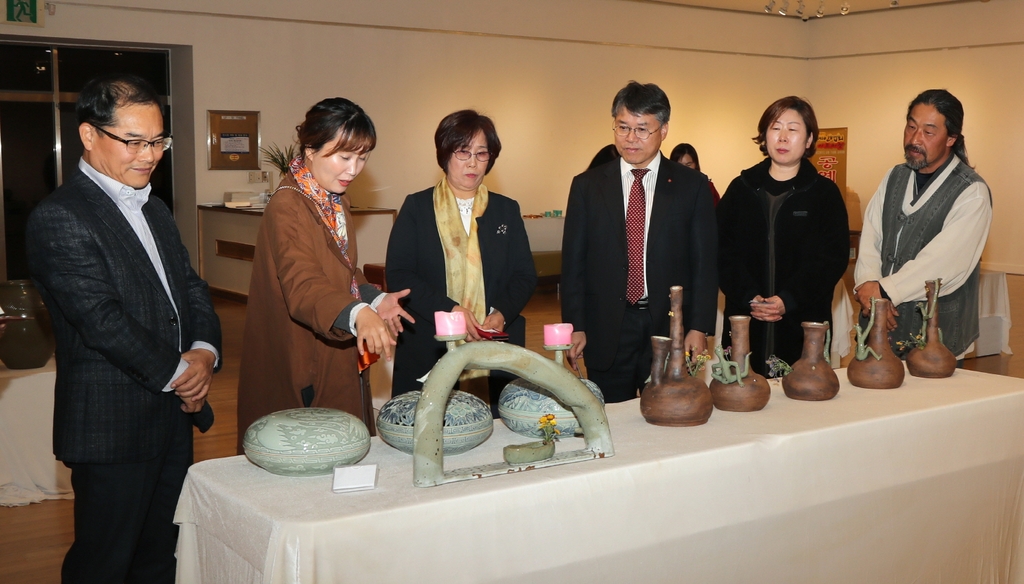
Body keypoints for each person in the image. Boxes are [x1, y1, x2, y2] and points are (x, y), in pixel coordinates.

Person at [25, 73, 222, 583]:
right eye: (134, 141)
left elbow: (191, 287)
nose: (150, 154)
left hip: (171, 417)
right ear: (90, 136)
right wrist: (183, 372)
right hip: (111, 427)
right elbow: (101, 321)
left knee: (162, 558)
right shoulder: (61, 216)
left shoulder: (153, 207)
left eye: (158, 141)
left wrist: (203, 352)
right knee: (104, 564)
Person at [237, 98, 412, 449]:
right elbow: (304, 286)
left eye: (362, 157)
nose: (354, 169)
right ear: (311, 149)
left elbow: (341, 272)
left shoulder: (332, 198)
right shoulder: (289, 205)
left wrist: (375, 299)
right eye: (344, 156)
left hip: (332, 349)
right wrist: (358, 313)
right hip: (302, 355)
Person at [561, 81, 718, 403]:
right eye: (623, 127)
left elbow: (705, 263)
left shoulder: (692, 186)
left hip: (668, 324)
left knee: (668, 412)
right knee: (612, 419)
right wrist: (575, 325)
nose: (631, 138)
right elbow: (573, 264)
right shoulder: (588, 186)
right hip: (606, 325)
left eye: (642, 129)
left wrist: (699, 327)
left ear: (664, 130)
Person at [386, 110, 536, 412]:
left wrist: (501, 314)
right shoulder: (417, 207)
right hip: (429, 342)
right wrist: (452, 312)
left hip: (495, 345)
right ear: (445, 155)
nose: (472, 162)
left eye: (481, 154)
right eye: (463, 152)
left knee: (496, 434)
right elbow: (400, 274)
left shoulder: (505, 209)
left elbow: (524, 275)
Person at [716, 96, 849, 376]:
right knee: (741, 398)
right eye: (776, 128)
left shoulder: (824, 194)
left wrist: (787, 300)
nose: (783, 137)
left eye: (793, 129)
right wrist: (750, 297)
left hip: (803, 323)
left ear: (809, 139)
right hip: (746, 319)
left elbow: (831, 259)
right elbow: (721, 252)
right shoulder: (741, 189)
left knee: (801, 402)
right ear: (765, 136)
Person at [854, 89, 992, 358]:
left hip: (935, 335)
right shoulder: (895, 176)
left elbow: (943, 260)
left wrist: (884, 291)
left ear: (951, 137)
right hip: (880, 325)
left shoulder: (971, 192)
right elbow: (871, 236)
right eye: (911, 127)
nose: (915, 139)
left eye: (929, 132)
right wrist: (868, 285)